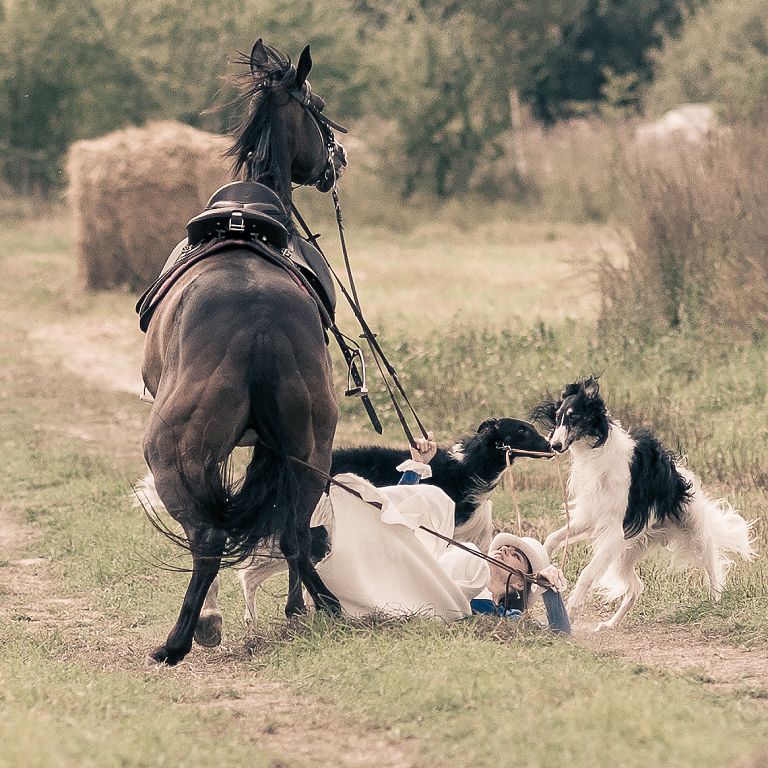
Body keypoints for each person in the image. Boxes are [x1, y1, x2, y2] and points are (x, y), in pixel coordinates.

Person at [310, 435, 570, 634]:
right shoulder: (457, 558)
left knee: (469, 554)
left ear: (519, 583)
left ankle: (328, 515)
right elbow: (405, 534)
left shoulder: (505, 617)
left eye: (515, 556)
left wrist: (551, 589)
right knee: (437, 502)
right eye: (507, 547)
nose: (504, 550)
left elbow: (560, 634)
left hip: (418, 598)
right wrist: (416, 467)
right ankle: (331, 510)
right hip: (399, 572)